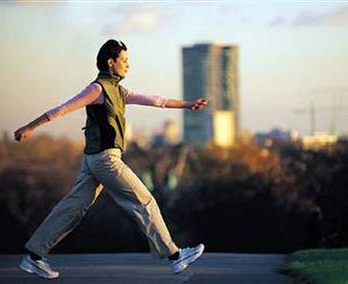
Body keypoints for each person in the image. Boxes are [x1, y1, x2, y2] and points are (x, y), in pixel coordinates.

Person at [14, 39, 207, 279]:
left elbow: (157, 100)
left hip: (93, 160)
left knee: (72, 208)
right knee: (144, 201)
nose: (128, 65)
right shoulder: (97, 89)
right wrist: (29, 127)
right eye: (124, 60)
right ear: (110, 62)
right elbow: (62, 109)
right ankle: (175, 256)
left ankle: (34, 256)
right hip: (106, 160)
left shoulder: (119, 90)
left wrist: (187, 105)